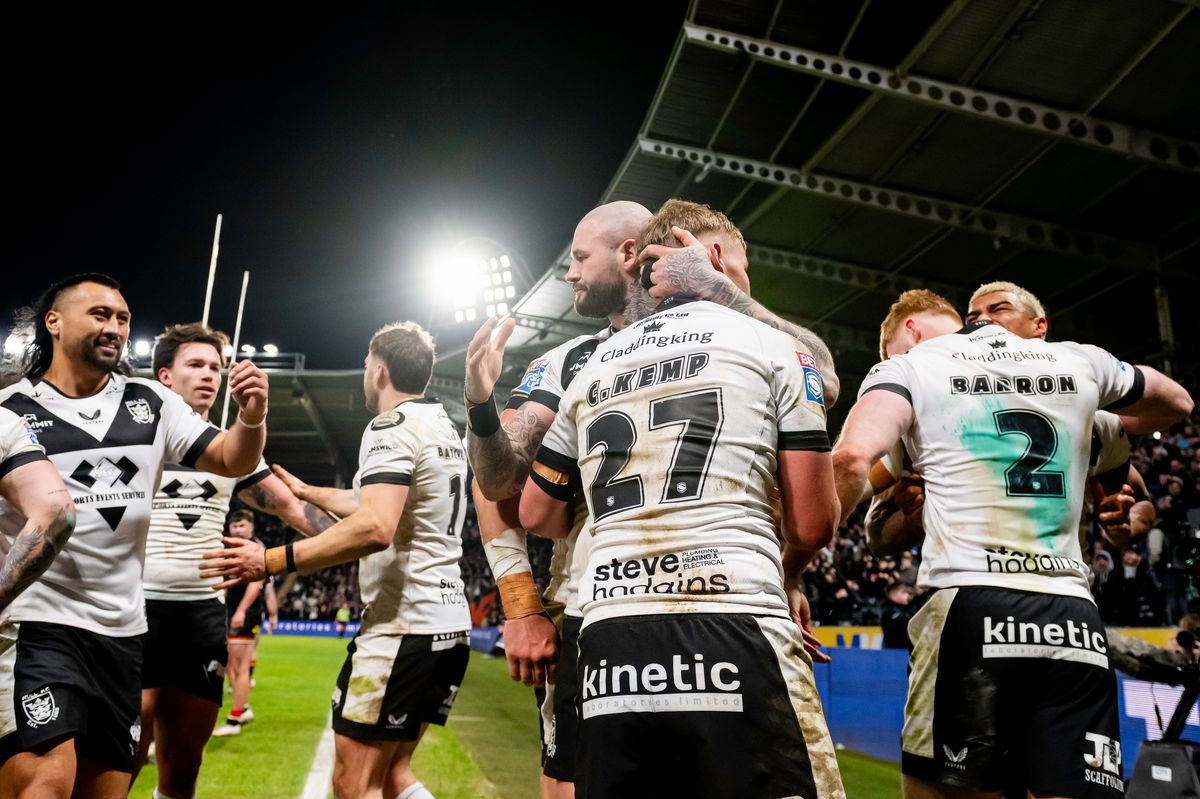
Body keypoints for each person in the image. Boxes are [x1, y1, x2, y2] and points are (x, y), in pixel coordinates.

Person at [466, 199, 838, 798]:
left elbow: (531, 505)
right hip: (606, 607)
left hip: (617, 617)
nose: (569, 273)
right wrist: (520, 605)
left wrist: (787, 579)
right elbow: (497, 484)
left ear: (633, 255)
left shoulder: (594, 370)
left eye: (580, 257)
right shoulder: (570, 360)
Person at [831, 287, 1192, 797]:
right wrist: (913, 517)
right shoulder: (1081, 376)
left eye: (996, 310)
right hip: (1071, 619)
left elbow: (1135, 500)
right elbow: (1170, 409)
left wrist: (1127, 518)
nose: (983, 321)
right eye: (975, 314)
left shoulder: (918, 376)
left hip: (970, 604)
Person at [0, 273, 268, 798]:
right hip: (38, 629)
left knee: (107, 790)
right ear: (53, 322)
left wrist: (251, 417)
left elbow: (233, 458)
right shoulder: (13, 411)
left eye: (122, 318)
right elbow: (49, 512)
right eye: (100, 314)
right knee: (45, 783)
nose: (115, 327)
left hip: (122, 635)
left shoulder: (152, 402)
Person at [201, 321, 469, 799]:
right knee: (393, 777)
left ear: (380, 371)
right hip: (445, 624)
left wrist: (271, 559)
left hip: (401, 629)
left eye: (367, 366)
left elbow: (375, 526)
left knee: (353, 784)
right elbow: (376, 499)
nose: (366, 375)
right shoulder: (440, 425)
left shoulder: (391, 425)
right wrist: (308, 491)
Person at [139, 322, 336, 789]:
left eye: (216, 367)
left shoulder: (233, 451)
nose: (209, 375)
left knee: (184, 762)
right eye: (196, 365)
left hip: (202, 615)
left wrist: (367, 535)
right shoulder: (133, 437)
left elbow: (295, 510)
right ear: (164, 376)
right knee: (124, 750)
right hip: (134, 612)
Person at [211, 510, 270, 738]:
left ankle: (234, 719)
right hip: (234, 611)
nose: (237, 529)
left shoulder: (255, 549)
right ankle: (242, 709)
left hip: (244, 613)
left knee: (238, 666)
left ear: (251, 527)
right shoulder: (232, 548)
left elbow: (256, 584)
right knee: (234, 667)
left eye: (242, 525)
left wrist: (241, 611)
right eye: (234, 526)